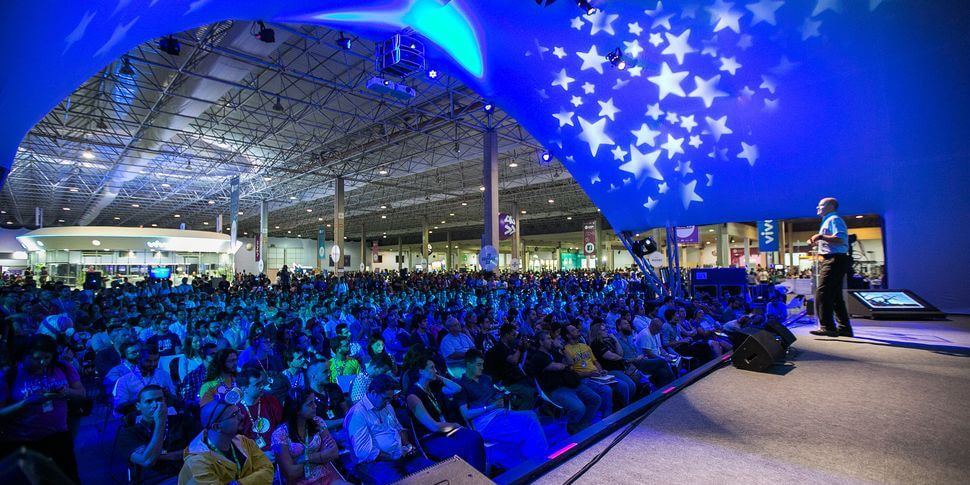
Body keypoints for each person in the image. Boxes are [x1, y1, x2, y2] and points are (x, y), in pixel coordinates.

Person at [0, 334, 86, 485]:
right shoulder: (9, 375)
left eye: (47, 358)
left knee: (68, 478)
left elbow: (81, 393)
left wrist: (65, 392)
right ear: (25, 354)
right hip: (22, 440)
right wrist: (26, 403)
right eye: (37, 358)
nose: (42, 363)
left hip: (58, 436)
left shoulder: (62, 368)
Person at [457, 350, 548, 468]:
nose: (482, 368)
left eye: (483, 364)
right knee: (525, 429)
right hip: (485, 422)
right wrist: (490, 407)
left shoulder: (485, 378)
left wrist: (500, 395)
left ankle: (537, 462)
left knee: (531, 415)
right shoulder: (462, 385)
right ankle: (539, 463)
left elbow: (493, 396)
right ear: (468, 364)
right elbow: (465, 414)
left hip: (499, 413)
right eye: (479, 365)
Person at [344, 374, 433, 485]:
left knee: (433, 471)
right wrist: (393, 456)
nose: (388, 402)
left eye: (390, 399)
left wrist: (407, 445)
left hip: (399, 454)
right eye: (385, 398)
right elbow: (364, 453)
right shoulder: (357, 414)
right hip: (373, 463)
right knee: (403, 482)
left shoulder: (387, 406)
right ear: (373, 393)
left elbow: (399, 429)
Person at [405, 355, 486, 473]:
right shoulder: (413, 395)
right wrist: (455, 425)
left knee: (475, 437)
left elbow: (457, 389)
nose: (436, 370)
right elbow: (433, 426)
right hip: (431, 437)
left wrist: (438, 377)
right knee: (467, 445)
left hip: (446, 430)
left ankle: (478, 478)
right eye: (432, 368)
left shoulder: (432, 387)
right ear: (421, 371)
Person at [178, 396, 275, 485]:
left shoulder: (244, 442)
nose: (242, 416)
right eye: (234, 414)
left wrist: (239, 484)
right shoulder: (197, 462)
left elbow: (268, 470)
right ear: (216, 427)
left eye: (239, 411)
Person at [118, 385, 200, 485]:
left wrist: (160, 456)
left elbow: (203, 449)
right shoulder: (130, 433)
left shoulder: (184, 421)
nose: (155, 405)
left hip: (192, 472)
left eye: (159, 400)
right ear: (138, 406)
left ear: (165, 401)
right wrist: (160, 422)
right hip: (156, 479)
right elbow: (147, 461)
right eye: (149, 401)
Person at [524, 331, 601, 435]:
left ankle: (581, 426)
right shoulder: (538, 357)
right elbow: (558, 366)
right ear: (541, 342)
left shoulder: (554, 352)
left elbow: (570, 362)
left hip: (569, 383)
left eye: (551, 338)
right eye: (548, 338)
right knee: (579, 408)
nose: (551, 341)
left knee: (595, 399)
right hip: (555, 389)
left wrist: (563, 349)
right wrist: (564, 365)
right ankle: (573, 428)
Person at [272, 389, 351, 485]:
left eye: (314, 402)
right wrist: (322, 458)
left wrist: (305, 458)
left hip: (326, 477)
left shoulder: (318, 422)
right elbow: (291, 473)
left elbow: (334, 453)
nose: (315, 406)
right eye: (310, 404)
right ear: (297, 409)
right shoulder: (280, 434)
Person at [809, 197, 855, 337]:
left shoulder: (833, 219)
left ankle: (827, 326)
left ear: (830, 205)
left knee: (822, 293)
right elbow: (836, 240)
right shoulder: (829, 220)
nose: (817, 207)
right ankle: (844, 327)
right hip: (836, 259)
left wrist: (821, 236)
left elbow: (840, 238)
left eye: (820, 205)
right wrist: (818, 241)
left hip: (834, 259)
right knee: (835, 295)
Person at [562, 324, 629, 416]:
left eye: (576, 328)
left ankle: (625, 412)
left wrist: (600, 371)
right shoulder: (566, 350)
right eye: (573, 330)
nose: (577, 329)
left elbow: (595, 362)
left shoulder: (585, 346)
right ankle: (607, 419)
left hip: (596, 375)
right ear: (568, 335)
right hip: (584, 378)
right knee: (607, 390)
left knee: (623, 385)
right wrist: (589, 374)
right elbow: (572, 372)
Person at [483, 323, 537, 410]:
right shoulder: (499, 347)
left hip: (511, 379)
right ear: (506, 335)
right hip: (502, 382)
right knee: (529, 393)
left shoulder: (509, 346)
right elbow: (514, 360)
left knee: (532, 387)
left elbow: (519, 361)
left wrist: (524, 349)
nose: (515, 336)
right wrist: (520, 347)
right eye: (513, 334)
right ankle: (519, 416)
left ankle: (515, 406)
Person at [114, 346, 177, 414]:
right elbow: (119, 408)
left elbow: (175, 399)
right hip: (139, 417)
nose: (153, 364)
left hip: (163, 413)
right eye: (148, 361)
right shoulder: (124, 380)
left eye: (156, 360)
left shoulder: (164, 375)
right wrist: (145, 398)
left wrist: (168, 395)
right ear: (139, 360)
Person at [236, 368, 282, 454]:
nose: (262, 386)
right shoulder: (237, 411)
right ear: (244, 389)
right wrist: (259, 456)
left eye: (262, 382)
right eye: (257, 384)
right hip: (252, 456)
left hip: (276, 450)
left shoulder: (271, 401)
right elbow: (238, 443)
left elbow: (282, 428)